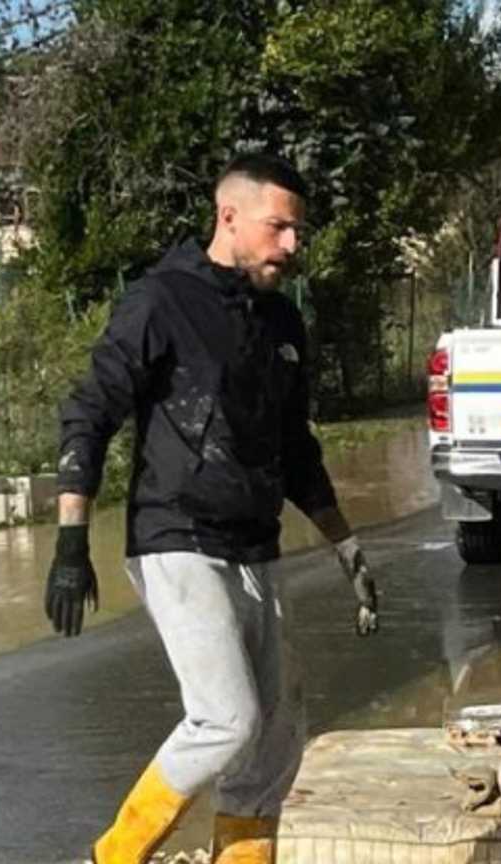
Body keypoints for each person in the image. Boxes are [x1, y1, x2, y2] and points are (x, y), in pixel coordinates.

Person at [44, 153, 380, 864]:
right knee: (227, 720)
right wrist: (71, 543)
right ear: (229, 216)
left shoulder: (283, 323)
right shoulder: (161, 302)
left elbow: (297, 450)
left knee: (276, 737)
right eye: (278, 228)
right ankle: (112, 857)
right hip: (176, 537)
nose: (292, 246)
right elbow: (90, 411)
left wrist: (346, 548)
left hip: (256, 545)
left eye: (298, 232)